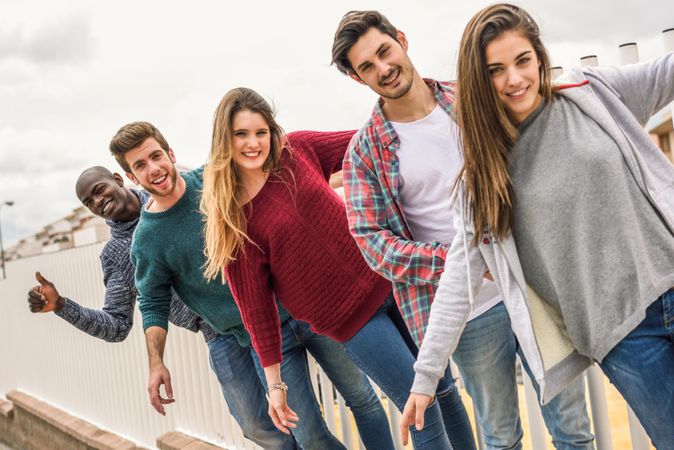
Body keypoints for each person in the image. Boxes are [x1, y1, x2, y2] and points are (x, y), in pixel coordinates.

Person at [404, 4, 674, 449]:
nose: (514, 79)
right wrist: (425, 375)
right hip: (625, 337)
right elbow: (457, 281)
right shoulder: (484, 180)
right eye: (496, 70)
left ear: (539, 56)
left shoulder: (593, 94)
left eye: (522, 60)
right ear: (479, 80)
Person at [330, 10, 593, 450]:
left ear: (401, 39)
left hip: (532, 284)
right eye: (367, 67)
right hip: (467, 312)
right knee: (500, 434)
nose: (383, 68)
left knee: (572, 425)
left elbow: (535, 140)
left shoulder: (470, 98)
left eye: (383, 51)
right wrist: (459, 262)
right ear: (359, 80)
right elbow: (374, 245)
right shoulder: (365, 152)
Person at [200, 87, 475, 450]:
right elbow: (257, 312)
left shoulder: (297, 151)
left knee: (445, 390)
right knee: (419, 407)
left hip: (393, 282)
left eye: (260, 132)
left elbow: (367, 142)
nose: (254, 144)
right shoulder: (235, 221)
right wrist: (275, 385)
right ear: (225, 139)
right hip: (353, 322)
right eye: (241, 134)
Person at [108, 121, 392, 450]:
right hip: (261, 333)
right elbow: (153, 303)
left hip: (306, 306)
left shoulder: (216, 181)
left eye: (156, 156)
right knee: (307, 433)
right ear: (131, 178)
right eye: (140, 166)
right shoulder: (146, 240)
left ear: (170, 153)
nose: (153, 169)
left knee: (363, 398)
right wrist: (156, 362)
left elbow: (269, 171)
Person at [26, 166, 298, 449]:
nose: (97, 202)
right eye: (88, 202)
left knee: (296, 411)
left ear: (118, 180)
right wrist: (61, 306)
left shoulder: (174, 197)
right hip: (218, 334)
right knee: (253, 424)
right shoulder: (116, 254)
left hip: (259, 311)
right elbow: (116, 325)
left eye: (99, 190)